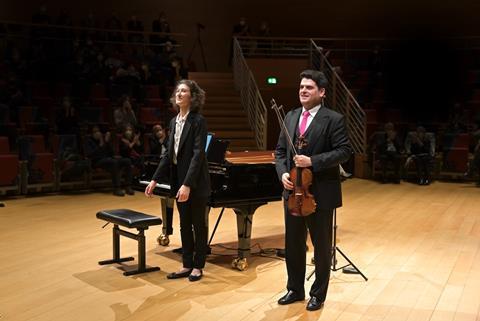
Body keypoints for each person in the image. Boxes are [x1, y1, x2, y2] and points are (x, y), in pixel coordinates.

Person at [275, 70, 352, 311]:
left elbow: (344, 151)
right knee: (294, 244)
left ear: (322, 92)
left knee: (320, 245)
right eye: (301, 87)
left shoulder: (334, 119)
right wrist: (283, 174)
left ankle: (318, 293)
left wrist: (313, 162)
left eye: (309, 87)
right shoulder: (290, 116)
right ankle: (295, 289)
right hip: (293, 193)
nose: (303, 91)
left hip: (319, 193)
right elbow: (279, 152)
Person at [145, 80, 211, 281]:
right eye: (178, 91)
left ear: (192, 97)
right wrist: (155, 180)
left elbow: (198, 155)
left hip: (195, 182)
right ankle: (186, 265)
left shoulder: (198, 121)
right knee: (184, 224)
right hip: (178, 180)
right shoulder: (174, 122)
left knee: (198, 225)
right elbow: (168, 155)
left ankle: (198, 267)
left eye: (184, 91)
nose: (179, 94)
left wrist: (187, 184)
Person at [84, 126, 134, 196]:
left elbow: (111, 153)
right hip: (96, 161)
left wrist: (107, 142)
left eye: (98, 131)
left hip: (108, 159)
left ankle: (128, 186)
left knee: (127, 161)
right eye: (95, 132)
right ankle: (117, 188)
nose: (97, 133)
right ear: (91, 134)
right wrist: (100, 146)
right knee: (113, 162)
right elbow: (90, 155)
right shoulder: (88, 141)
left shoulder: (103, 141)